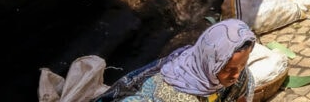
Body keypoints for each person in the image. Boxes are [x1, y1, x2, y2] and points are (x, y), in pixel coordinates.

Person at [95, 19, 256, 102]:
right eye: (228, 69)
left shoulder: (238, 77)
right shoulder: (183, 95)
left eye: (242, 64)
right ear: (211, 62)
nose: (236, 74)